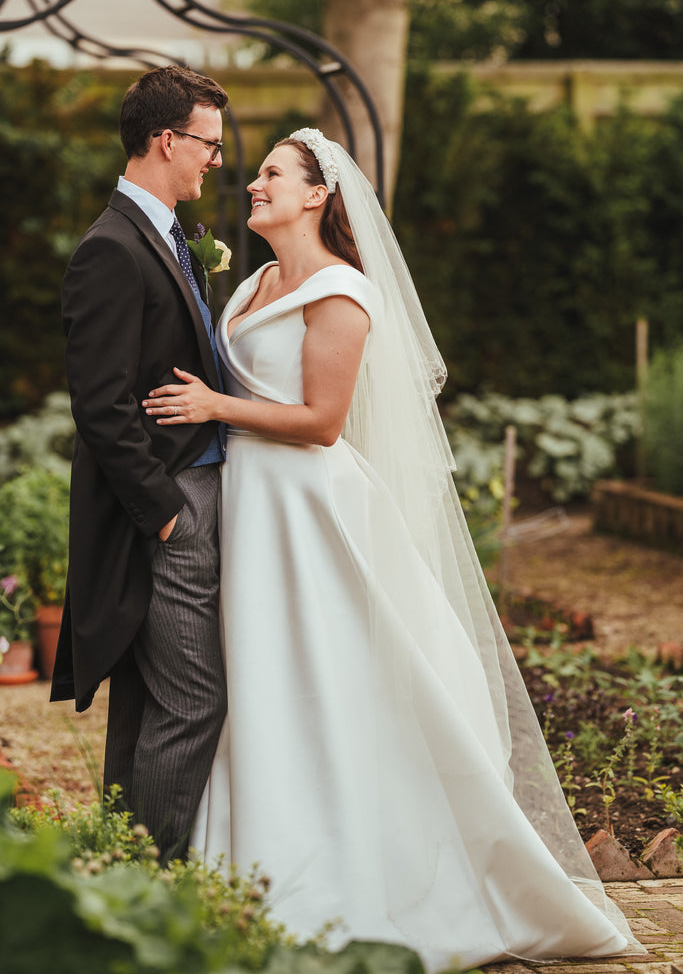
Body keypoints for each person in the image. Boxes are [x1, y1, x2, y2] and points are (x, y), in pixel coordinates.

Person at [142, 129, 644, 969]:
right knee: (263, 678)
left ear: (316, 196)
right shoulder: (256, 279)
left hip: (309, 510)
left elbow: (320, 422)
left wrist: (214, 410)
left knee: (327, 675)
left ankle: (373, 875)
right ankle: (257, 864)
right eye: (257, 172)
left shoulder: (341, 291)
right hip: (252, 508)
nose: (252, 184)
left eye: (271, 174)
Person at [51, 65, 230, 864]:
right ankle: (154, 885)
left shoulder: (163, 235)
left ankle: (117, 876)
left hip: (184, 497)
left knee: (150, 702)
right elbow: (100, 404)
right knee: (194, 702)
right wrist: (165, 511)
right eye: (209, 145)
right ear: (168, 140)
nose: (215, 162)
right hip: (164, 513)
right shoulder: (112, 249)